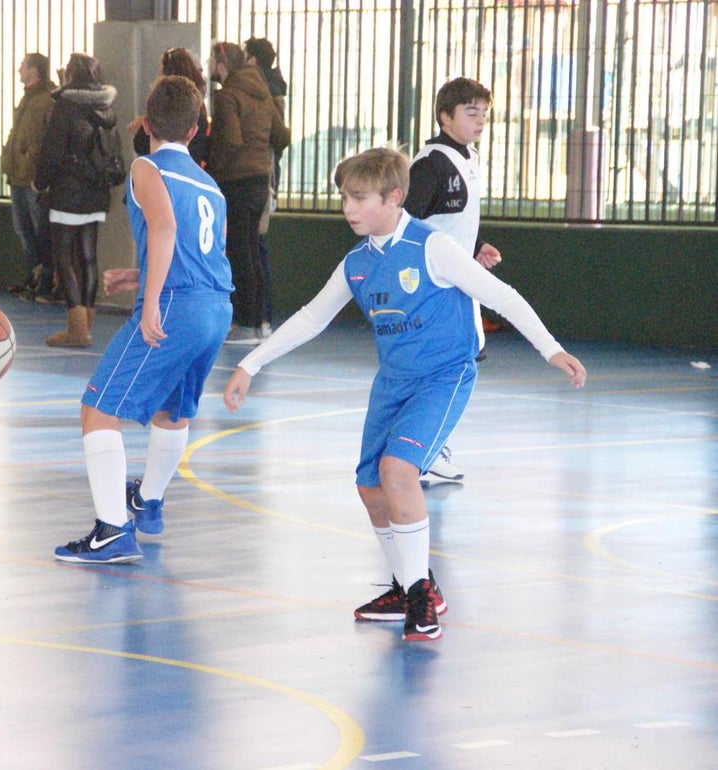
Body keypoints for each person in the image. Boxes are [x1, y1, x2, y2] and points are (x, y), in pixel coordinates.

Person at [222, 147, 587, 641]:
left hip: (443, 375)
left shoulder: (431, 247)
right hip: (392, 382)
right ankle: (409, 584)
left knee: (398, 472)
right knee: (371, 488)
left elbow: (500, 295)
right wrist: (250, 362)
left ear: (394, 197)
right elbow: (312, 316)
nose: (348, 208)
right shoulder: (357, 263)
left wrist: (551, 349)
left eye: (358, 198)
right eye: (344, 198)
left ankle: (422, 600)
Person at [54, 75, 232, 564]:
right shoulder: (208, 182)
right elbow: (201, 251)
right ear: (196, 131)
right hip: (215, 305)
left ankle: (112, 531)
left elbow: (165, 226)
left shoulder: (146, 168)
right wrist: (142, 275)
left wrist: (152, 299)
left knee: (97, 410)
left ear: (146, 123)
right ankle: (148, 502)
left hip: (177, 303)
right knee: (171, 410)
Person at [405, 76, 501, 484]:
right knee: (449, 368)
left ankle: (427, 446)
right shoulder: (431, 165)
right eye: (470, 112)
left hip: (459, 282)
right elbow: (407, 221)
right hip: (434, 287)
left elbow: (450, 217)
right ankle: (424, 449)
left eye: (484, 113)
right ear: (445, 117)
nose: (480, 121)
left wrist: (475, 246)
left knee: (459, 365)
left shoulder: (468, 159)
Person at [205, 41, 290, 346]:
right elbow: (282, 136)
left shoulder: (227, 95)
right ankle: (260, 322)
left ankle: (243, 323)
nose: (208, 65)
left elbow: (230, 140)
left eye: (211, 59)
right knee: (253, 251)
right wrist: (260, 152)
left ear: (222, 62)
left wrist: (213, 174)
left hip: (236, 182)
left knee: (239, 254)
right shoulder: (263, 92)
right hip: (259, 180)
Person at [33, 52, 119, 348]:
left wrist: (38, 182)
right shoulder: (106, 107)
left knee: (64, 258)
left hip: (68, 192)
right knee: (88, 257)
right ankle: (88, 324)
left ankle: (76, 329)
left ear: (70, 76)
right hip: (97, 193)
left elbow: (51, 152)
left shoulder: (65, 106)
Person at [1, 53, 56, 302]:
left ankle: (46, 280)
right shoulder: (29, 98)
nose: (18, 70)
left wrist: (37, 169)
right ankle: (33, 278)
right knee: (24, 231)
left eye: (22, 66)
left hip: (33, 178)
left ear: (34, 69)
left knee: (40, 231)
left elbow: (47, 139)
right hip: (18, 175)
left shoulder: (48, 99)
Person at [244, 37, 288, 334]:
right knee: (257, 247)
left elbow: (278, 138)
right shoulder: (272, 90)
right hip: (268, 174)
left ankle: (260, 317)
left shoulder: (263, 94)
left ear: (253, 60)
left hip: (263, 176)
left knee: (255, 247)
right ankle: (263, 316)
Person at [127, 48, 209, 167]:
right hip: (191, 166)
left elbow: (141, 144)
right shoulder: (198, 105)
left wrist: (142, 128)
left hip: (163, 168)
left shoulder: (166, 104)